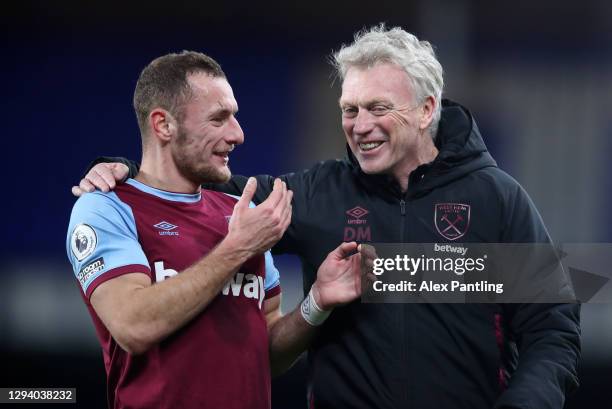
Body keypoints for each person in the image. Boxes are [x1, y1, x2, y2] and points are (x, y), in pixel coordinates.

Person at [74, 26, 580, 409]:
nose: (360, 126)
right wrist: (124, 170)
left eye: (378, 107)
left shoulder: (496, 199)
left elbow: (552, 328)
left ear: (427, 110)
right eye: (349, 109)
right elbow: (192, 181)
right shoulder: (315, 194)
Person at [66, 51, 369, 409]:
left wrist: (317, 302)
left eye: (234, 117)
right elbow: (134, 326)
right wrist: (237, 248)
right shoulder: (107, 208)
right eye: (219, 118)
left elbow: (266, 353)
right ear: (163, 125)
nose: (237, 134)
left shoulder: (239, 211)